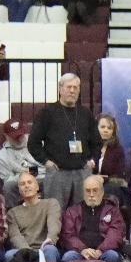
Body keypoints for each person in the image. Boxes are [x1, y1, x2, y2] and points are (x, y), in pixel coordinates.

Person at [29, 72, 99, 207]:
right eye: (68, 87)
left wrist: (93, 161)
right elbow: (33, 143)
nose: (72, 91)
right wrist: (46, 161)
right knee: (56, 213)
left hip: (82, 171)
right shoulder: (47, 112)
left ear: (79, 90)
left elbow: (96, 142)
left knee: (82, 212)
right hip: (57, 173)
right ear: (60, 89)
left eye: (75, 87)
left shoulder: (86, 114)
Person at [4, 168, 62, 262]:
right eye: (22, 184)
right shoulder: (12, 213)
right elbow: (15, 236)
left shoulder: (51, 204)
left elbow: (54, 224)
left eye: (29, 182)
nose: (26, 186)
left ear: (37, 187)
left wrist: (50, 239)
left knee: (50, 250)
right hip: (23, 249)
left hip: (45, 247)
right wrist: (28, 252)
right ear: (19, 190)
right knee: (9, 255)